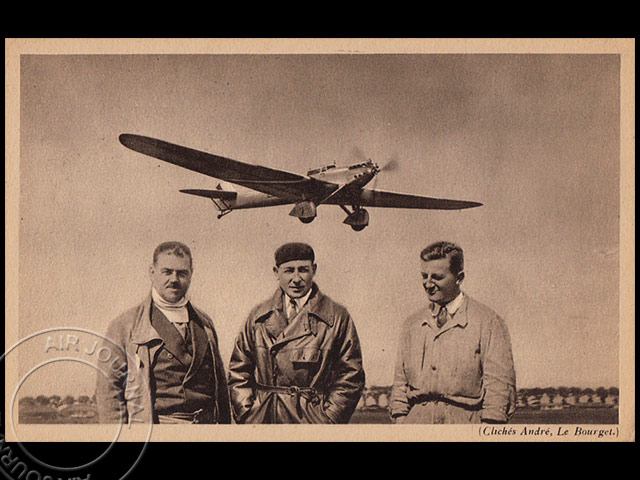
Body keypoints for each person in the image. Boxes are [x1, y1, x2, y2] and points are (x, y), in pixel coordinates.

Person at [228, 242, 365, 424]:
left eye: (303, 270)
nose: (296, 278)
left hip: (312, 422)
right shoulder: (258, 316)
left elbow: (351, 375)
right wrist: (247, 414)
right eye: (289, 271)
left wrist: (329, 419)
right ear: (276, 272)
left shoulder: (337, 317)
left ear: (314, 270)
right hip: (264, 419)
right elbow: (238, 370)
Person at [96, 241, 231, 424]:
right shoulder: (125, 325)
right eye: (167, 272)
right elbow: (109, 391)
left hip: (206, 429)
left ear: (191, 274)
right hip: (156, 430)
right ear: (152, 272)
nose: (174, 280)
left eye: (182, 273)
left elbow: (221, 388)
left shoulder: (205, 323)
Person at [390, 241, 516, 424]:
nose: (428, 284)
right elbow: (400, 385)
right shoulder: (411, 325)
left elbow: (500, 389)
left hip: (466, 428)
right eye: (424, 276)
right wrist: (401, 420)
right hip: (415, 428)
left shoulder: (488, 322)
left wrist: (489, 429)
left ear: (459, 278)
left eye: (437, 277)